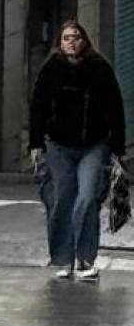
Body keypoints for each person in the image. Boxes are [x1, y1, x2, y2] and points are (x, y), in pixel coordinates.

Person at [29, 21, 127, 282]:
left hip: (94, 146)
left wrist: (118, 149)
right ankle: (63, 259)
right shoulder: (52, 69)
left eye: (76, 37)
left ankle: (85, 260)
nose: (71, 42)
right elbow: (38, 106)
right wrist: (36, 144)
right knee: (62, 199)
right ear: (60, 43)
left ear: (84, 41)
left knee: (87, 198)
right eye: (66, 38)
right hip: (58, 146)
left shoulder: (99, 68)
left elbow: (115, 108)